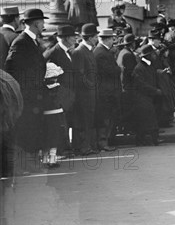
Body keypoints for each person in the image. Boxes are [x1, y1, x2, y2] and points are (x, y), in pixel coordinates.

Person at [5, 8, 48, 169]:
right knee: (26, 129)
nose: (44, 24)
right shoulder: (21, 42)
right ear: (36, 23)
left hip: (35, 95)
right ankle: (24, 165)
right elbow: (11, 68)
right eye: (42, 22)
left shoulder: (31, 41)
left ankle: (30, 163)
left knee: (33, 127)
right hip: (27, 96)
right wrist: (24, 89)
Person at [43, 25, 78, 156]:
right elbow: (47, 76)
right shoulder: (53, 53)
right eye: (73, 36)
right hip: (58, 96)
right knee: (60, 124)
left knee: (66, 122)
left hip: (67, 95)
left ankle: (65, 149)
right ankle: (60, 151)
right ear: (66, 38)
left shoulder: (67, 52)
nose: (75, 38)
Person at [71, 23, 99, 155]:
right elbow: (80, 75)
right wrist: (90, 86)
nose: (97, 39)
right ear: (89, 37)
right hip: (84, 95)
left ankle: (86, 146)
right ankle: (82, 147)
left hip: (89, 93)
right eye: (95, 36)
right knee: (83, 120)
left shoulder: (88, 50)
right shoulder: (79, 52)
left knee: (88, 120)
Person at [93, 29, 120, 152]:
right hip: (105, 91)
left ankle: (105, 141)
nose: (113, 42)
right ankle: (103, 142)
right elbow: (108, 71)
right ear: (106, 39)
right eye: (111, 39)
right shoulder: (101, 53)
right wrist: (119, 69)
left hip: (108, 90)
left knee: (108, 117)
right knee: (105, 118)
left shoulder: (103, 51)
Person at [131, 45, 162, 146]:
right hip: (142, 97)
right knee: (148, 119)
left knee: (147, 119)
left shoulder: (149, 65)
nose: (154, 55)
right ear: (148, 55)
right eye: (153, 54)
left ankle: (143, 139)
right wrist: (155, 90)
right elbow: (141, 84)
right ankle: (153, 139)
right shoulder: (139, 68)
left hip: (149, 96)